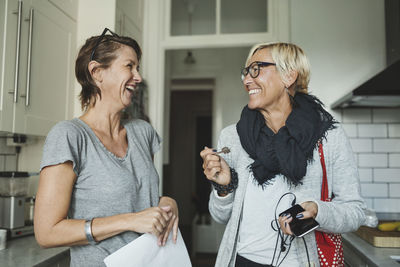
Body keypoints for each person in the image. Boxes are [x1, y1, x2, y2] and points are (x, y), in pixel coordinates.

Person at [200, 42, 365, 267]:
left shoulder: (328, 136)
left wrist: (318, 210)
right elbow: (219, 217)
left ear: (288, 77)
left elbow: (354, 211)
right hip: (243, 261)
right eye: (246, 72)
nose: (247, 80)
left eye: (256, 69)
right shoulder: (232, 138)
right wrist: (224, 187)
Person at [34, 28, 179, 266]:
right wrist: (128, 221)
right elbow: (47, 232)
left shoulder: (142, 132)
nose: (138, 77)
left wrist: (167, 202)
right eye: (129, 66)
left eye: (138, 68)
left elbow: (139, 199)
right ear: (97, 72)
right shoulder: (69, 136)